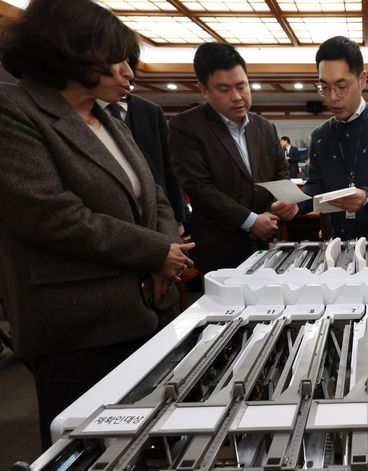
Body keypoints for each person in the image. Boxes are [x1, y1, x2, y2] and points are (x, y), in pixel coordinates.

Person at [0, 0, 193, 449]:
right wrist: (155, 252)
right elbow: (51, 215)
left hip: (147, 310)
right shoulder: (14, 110)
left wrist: (164, 254)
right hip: (79, 326)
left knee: (157, 440)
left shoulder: (109, 118)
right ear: (71, 52)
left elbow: (155, 195)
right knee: (86, 447)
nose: (128, 71)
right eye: (116, 59)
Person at [274, 36, 368, 240]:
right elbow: (316, 186)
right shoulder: (320, 135)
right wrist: (297, 204)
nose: (332, 97)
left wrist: (367, 196)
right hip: (342, 242)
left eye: (341, 86)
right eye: (324, 87)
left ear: (362, 80)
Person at [169, 43, 289, 273]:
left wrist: (275, 211)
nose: (236, 97)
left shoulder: (265, 127)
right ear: (203, 89)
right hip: (220, 248)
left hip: (267, 243)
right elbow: (199, 188)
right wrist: (251, 221)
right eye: (224, 90)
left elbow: (280, 176)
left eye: (242, 86)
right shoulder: (186, 127)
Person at [98, 52, 187, 233]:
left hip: (158, 214)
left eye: (129, 62)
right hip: (112, 221)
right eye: (117, 61)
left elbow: (168, 168)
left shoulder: (150, 111)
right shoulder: (81, 115)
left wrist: (177, 216)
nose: (128, 72)